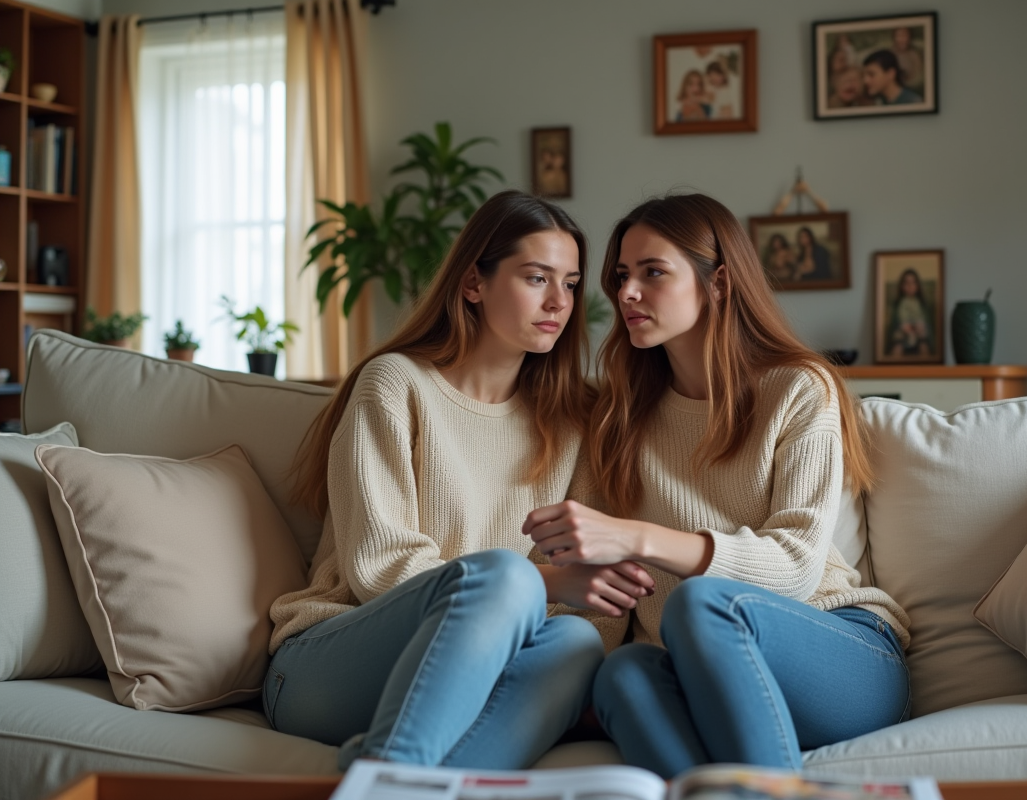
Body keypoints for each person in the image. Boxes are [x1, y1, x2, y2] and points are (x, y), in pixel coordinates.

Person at [522, 194, 912, 778]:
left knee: (700, 603)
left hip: (839, 654)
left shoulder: (800, 389)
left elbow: (798, 567)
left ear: (720, 282)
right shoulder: (618, 415)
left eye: (653, 272)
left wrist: (638, 538)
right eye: (622, 276)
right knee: (625, 673)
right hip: (690, 666)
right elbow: (600, 598)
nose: (626, 293)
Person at [266, 190, 655, 771]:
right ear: (474, 282)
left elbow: (595, 613)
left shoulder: (577, 419)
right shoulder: (394, 385)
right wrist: (542, 581)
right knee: (504, 576)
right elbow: (380, 569)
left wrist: (543, 597)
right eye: (536, 277)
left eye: (571, 283)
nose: (559, 301)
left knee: (573, 643)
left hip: (481, 673)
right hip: (333, 662)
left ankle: (397, 777)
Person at [888, 268, 933, 357]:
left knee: (923, 346)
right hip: (903, 331)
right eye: (906, 283)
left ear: (918, 285)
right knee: (897, 347)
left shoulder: (921, 304)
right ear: (901, 286)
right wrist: (904, 326)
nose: (910, 286)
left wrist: (920, 325)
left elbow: (925, 320)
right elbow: (897, 320)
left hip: (919, 331)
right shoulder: (899, 304)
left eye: (913, 282)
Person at [890, 27, 924, 94]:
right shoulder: (889, 54)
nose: (902, 39)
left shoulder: (914, 55)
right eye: (899, 36)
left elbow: (918, 77)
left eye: (905, 36)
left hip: (911, 89)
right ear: (894, 38)